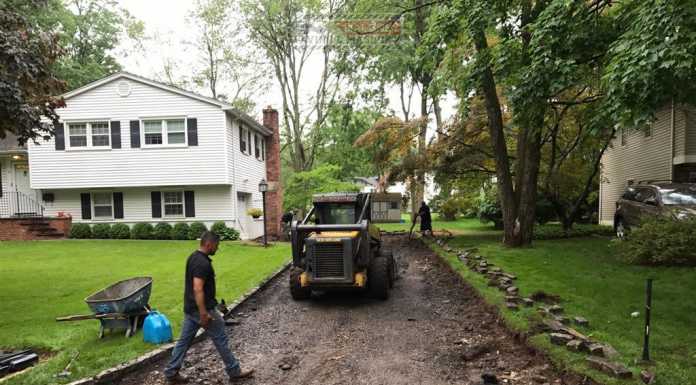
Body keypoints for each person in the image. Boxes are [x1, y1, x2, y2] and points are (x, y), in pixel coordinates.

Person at [164, 231, 254, 384]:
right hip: (203, 310)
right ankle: (234, 371)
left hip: (191, 309)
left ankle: (171, 372)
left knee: (183, 342)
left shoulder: (193, 257)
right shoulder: (202, 263)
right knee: (221, 339)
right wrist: (204, 314)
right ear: (209, 244)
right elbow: (198, 288)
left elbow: (201, 289)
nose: (217, 249)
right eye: (216, 245)